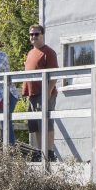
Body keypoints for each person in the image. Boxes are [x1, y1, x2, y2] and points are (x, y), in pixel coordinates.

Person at [23, 24, 59, 161]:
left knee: (47, 123)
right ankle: (40, 151)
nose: (33, 37)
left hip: (44, 93)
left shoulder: (49, 52)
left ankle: (49, 153)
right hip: (31, 93)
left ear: (42, 35)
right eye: (31, 34)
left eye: (36, 34)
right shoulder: (31, 52)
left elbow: (55, 74)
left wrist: (48, 92)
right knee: (35, 125)